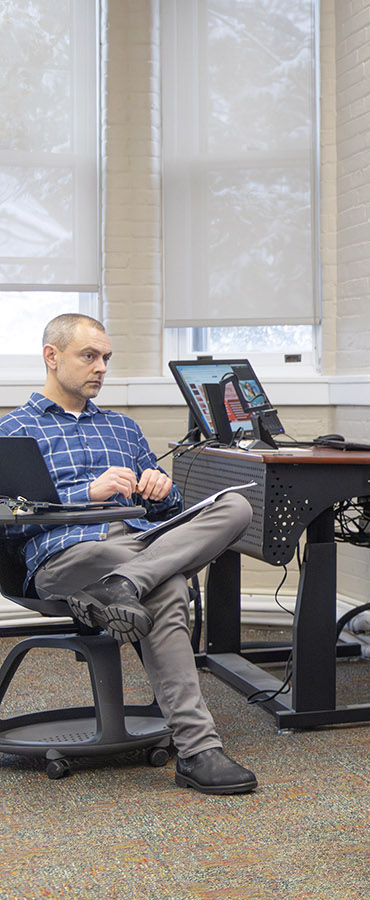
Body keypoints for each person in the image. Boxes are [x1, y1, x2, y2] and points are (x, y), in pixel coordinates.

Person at [0, 314, 257, 795]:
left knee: (236, 506)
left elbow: (162, 512)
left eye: (106, 359)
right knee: (170, 585)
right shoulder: (12, 430)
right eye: (89, 356)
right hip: (69, 556)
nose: (100, 367)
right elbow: (9, 520)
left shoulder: (123, 427)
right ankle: (199, 750)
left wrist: (161, 494)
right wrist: (86, 495)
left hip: (139, 545)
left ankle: (126, 584)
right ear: (51, 356)